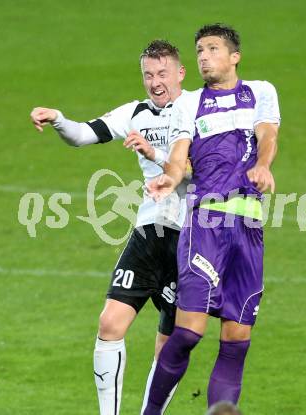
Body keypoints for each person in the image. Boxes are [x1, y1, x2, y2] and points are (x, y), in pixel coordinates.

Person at [30, 40, 187, 415]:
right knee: (110, 323)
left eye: (162, 73)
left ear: (180, 73)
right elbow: (83, 134)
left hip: (191, 235)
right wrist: (58, 119)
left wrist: (154, 154)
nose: (155, 82)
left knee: (171, 345)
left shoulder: (196, 110)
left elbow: (199, 169)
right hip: (150, 230)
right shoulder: (135, 112)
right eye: (148, 74)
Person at [143, 24, 280, 414]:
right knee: (187, 332)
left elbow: (268, 135)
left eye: (212, 48)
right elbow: (179, 153)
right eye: (199, 50)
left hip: (248, 227)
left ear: (234, 56)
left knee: (237, 341)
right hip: (205, 225)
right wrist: (170, 175)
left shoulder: (260, 92)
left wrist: (264, 165)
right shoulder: (190, 103)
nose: (203, 56)